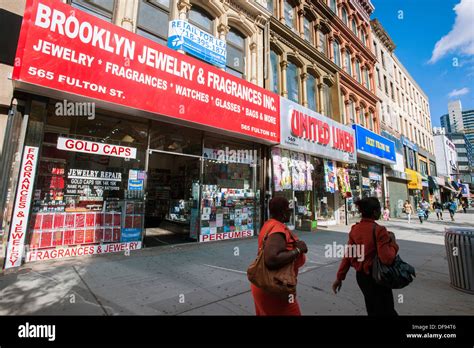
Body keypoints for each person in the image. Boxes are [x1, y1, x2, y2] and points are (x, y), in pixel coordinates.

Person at [332, 197, 399, 316]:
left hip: (362, 278)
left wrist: (339, 277)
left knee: (372, 308)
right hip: (377, 277)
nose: (380, 212)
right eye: (379, 209)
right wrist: (393, 244)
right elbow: (387, 258)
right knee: (387, 310)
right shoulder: (379, 230)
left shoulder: (355, 229)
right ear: (374, 212)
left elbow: (348, 255)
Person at [250, 196, 308, 316]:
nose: (290, 212)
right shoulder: (278, 229)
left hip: (263, 285)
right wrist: (298, 250)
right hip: (275, 289)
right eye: (288, 209)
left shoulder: (269, 224)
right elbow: (271, 259)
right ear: (282, 212)